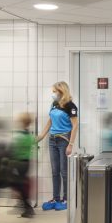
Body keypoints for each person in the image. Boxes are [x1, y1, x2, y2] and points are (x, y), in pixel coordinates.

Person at [37, 81, 78, 211]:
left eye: (54, 91)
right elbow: (49, 122)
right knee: (55, 171)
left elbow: (75, 126)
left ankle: (66, 199)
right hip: (52, 140)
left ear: (61, 91)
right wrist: (40, 137)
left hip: (63, 140)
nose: (53, 94)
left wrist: (71, 144)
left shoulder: (70, 106)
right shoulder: (54, 104)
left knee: (64, 172)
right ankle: (56, 198)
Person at [11, 112, 37, 218]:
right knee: (21, 184)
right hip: (27, 162)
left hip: (19, 162)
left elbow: (13, 150)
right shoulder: (29, 136)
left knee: (19, 185)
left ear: (22, 122)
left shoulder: (19, 136)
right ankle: (27, 206)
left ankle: (28, 207)